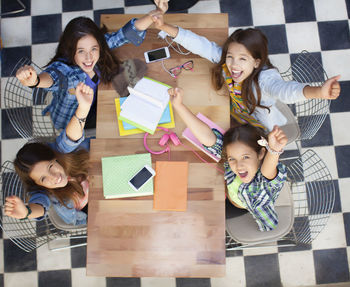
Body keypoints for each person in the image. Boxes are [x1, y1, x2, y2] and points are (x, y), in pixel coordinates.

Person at [154, 19, 341, 131]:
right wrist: (164, 26)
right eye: (230, 57)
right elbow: (199, 44)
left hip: (258, 125)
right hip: (237, 111)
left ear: (256, 62)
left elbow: (285, 91)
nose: (234, 65)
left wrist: (318, 92)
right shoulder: (227, 64)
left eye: (243, 59)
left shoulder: (265, 80)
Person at [15, 0, 169, 131]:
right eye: (81, 51)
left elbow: (126, 33)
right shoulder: (66, 71)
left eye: (93, 49)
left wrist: (155, 13)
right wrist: (35, 81)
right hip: (71, 119)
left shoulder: (100, 49)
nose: (89, 57)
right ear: (70, 50)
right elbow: (54, 78)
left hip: (94, 99)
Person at [169, 87, 288, 231]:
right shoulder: (234, 158)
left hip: (240, 206)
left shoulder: (264, 180)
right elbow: (208, 138)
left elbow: (268, 172)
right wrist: (178, 106)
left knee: (203, 218)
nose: (239, 165)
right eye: (232, 159)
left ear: (261, 154)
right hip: (230, 192)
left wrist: (274, 151)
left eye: (246, 157)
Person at [4, 83, 94, 225]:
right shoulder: (43, 191)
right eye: (44, 179)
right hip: (90, 208)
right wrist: (26, 212)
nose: (54, 177)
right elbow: (40, 205)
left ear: (54, 158)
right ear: (39, 184)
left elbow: (70, 138)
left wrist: (83, 108)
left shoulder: (60, 151)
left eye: (51, 167)